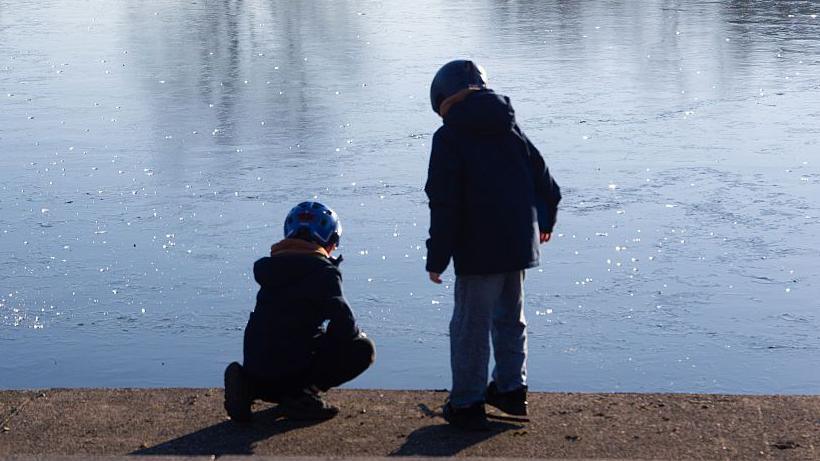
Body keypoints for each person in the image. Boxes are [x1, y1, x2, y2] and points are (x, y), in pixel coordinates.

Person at [425, 60, 561, 430]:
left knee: (470, 325)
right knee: (509, 318)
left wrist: (437, 257)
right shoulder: (509, 126)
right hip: (518, 242)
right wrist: (544, 222)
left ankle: (467, 403)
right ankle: (510, 390)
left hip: (478, 247)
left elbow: (444, 202)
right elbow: (546, 181)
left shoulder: (449, 136)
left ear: (442, 99)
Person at [224, 201, 375, 422]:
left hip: (258, 367)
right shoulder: (324, 272)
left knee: (280, 334)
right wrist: (336, 342)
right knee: (363, 349)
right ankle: (302, 396)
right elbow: (345, 325)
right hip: (292, 376)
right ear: (331, 242)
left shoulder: (269, 268)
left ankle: (248, 385)